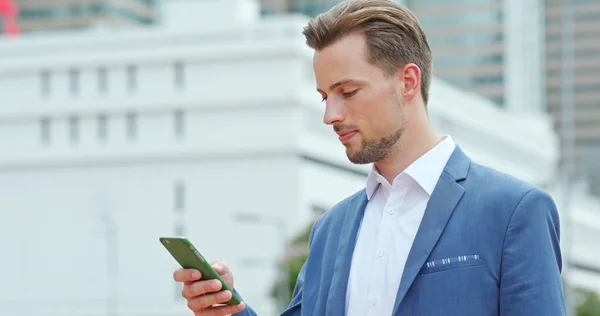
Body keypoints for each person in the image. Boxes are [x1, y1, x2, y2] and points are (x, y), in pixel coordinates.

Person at [172, 0, 566, 315]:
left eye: (348, 91)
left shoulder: (514, 210)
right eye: (325, 96)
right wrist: (227, 311)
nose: (331, 115)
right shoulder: (330, 229)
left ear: (407, 82)